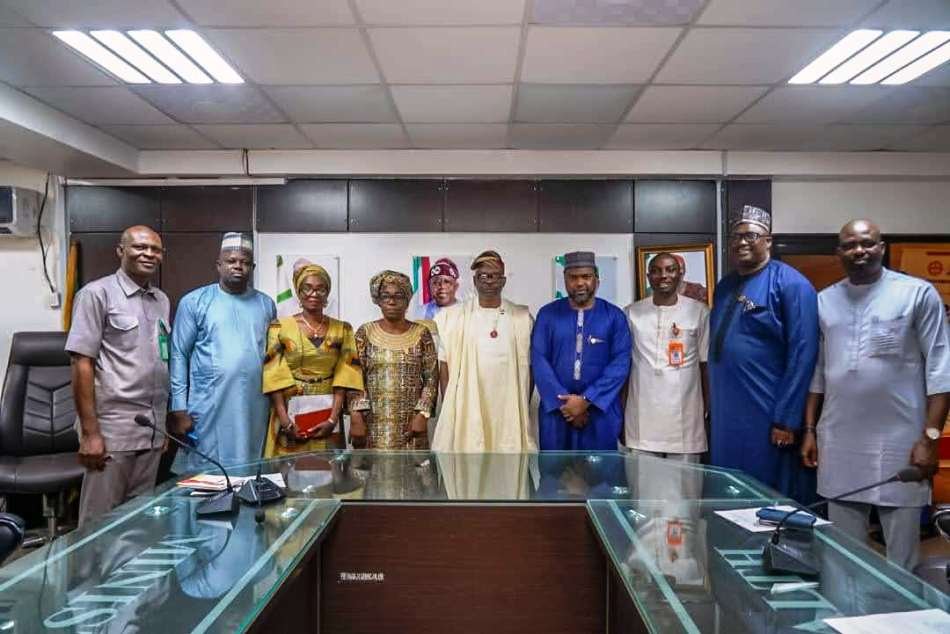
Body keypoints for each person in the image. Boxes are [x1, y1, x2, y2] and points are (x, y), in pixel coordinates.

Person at [801, 219, 950, 570]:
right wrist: (809, 429)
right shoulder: (825, 301)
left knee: (902, 562)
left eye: (867, 243)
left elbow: (941, 371)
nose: (859, 251)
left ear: (881, 247)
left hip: (900, 443)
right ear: (839, 253)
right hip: (839, 442)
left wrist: (929, 439)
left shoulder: (916, 294)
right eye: (850, 245)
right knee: (841, 556)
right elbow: (819, 372)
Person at [708, 205, 819, 501]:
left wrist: (787, 419)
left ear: (768, 240)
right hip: (726, 414)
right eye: (736, 236)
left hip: (767, 413)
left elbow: (803, 354)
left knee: (766, 495)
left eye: (751, 235)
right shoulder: (726, 286)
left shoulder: (791, 284)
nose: (741, 242)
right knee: (728, 490)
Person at [65, 225, 170, 526]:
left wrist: (160, 426)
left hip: (150, 429)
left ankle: (126, 575)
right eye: (139, 247)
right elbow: (81, 363)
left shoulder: (161, 300)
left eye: (155, 249)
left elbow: (161, 359)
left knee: (138, 523)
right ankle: (89, 576)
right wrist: (90, 434)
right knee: (100, 524)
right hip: (112, 431)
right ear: (121, 251)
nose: (148, 254)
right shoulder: (96, 294)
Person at [168, 233, 276, 473]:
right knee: (208, 472)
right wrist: (178, 406)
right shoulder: (194, 302)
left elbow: (273, 359)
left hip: (255, 404)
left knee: (251, 467)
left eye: (245, 262)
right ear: (219, 265)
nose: (238, 266)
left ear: (252, 267)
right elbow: (178, 355)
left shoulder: (266, 304)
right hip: (209, 403)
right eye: (231, 261)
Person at [433, 250, 537, 452]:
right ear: (474, 280)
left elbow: (530, 368)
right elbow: (444, 368)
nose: (489, 281)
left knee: (506, 469)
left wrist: (522, 404)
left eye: (495, 275)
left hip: (508, 412)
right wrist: (453, 409)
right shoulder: (452, 318)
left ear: (504, 280)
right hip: (467, 411)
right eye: (483, 276)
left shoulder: (521, 318)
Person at [531, 251, 631, 450]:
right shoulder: (547, 315)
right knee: (555, 475)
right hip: (557, 413)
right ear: (565, 280)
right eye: (573, 277)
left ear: (597, 280)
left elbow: (620, 364)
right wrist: (567, 405)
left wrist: (587, 400)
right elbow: (539, 360)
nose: (579, 283)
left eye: (586, 277)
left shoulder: (614, 316)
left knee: (600, 476)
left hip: (601, 411)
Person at [262, 262, 363, 457]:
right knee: (288, 471)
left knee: (325, 470)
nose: (313, 294)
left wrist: (333, 419)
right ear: (299, 293)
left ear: (327, 294)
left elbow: (346, 375)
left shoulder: (343, 329)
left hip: (327, 409)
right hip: (288, 409)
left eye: (320, 289)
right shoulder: (279, 327)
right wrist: (285, 420)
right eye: (307, 288)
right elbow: (273, 373)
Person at [625, 252, 709, 461]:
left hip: (685, 418)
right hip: (642, 415)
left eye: (670, 270)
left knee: (686, 488)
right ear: (648, 276)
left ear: (680, 273)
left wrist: (708, 409)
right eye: (656, 271)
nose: (664, 276)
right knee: (643, 486)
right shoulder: (631, 313)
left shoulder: (699, 312)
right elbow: (625, 366)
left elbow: (705, 364)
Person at [349, 271, 438, 450]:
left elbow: (431, 379)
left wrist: (423, 414)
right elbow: (354, 378)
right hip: (372, 425)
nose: (392, 301)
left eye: (399, 296)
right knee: (373, 475)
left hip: (411, 426)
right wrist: (356, 417)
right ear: (378, 300)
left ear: (407, 300)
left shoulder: (422, 333)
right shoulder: (365, 333)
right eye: (386, 296)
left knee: (412, 475)